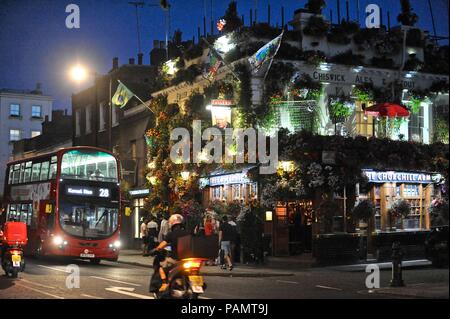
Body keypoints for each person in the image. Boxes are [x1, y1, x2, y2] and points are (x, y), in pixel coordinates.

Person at [152, 214, 189, 292]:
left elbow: (161, 246)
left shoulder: (171, 234)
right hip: (188, 259)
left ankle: (164, 284)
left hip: (176, 259)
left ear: (172, 224)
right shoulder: (188, 233)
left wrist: (156, 249)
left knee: (161, 268)